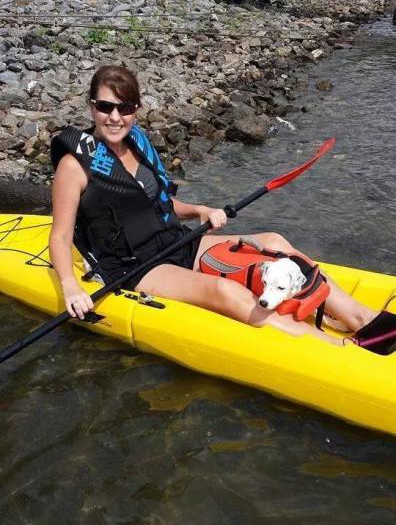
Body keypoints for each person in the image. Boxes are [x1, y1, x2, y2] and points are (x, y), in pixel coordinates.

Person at [49, 65, 396, 354]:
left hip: (176, 241)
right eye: (105, 107)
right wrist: (69, 285)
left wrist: (198, 209)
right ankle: (333, 349)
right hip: (136, 266)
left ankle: (363, 320)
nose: (114, 117)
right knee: (225, 292)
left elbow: (158, 204)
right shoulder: (74, 165)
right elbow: (61, 235)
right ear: (91, 106)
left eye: (125, 109)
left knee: (274, 241)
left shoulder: (136, 145)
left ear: (136, 110)